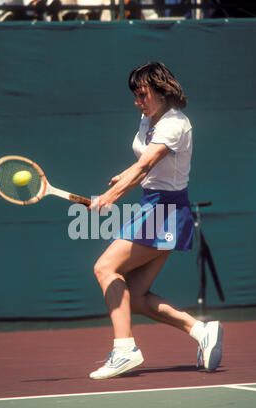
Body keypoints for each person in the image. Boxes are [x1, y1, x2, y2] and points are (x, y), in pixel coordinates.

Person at [88, 62, 223, 379]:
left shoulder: (174, 124)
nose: (138, 102)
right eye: (135, 96)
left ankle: (124, 350)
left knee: (105, 267)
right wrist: (124, 177)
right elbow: (143, 166)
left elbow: (146, 165)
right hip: (155, 206)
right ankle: (201, 330)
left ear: (161, 91)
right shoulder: (148, 119)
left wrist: (111, 197)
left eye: (142, 94)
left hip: (166, 211)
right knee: (134, 296)